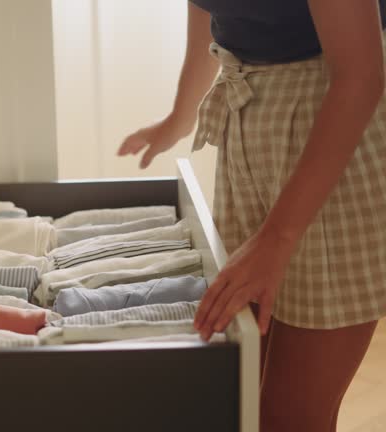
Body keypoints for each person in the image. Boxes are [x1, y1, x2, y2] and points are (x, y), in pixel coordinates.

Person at [118, 1, 386, 431]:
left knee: (288, 418)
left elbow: (359, 78)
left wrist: (275, 239)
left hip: (335, 130)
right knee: (242, 392)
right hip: (249, 114)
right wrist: (180, 116)